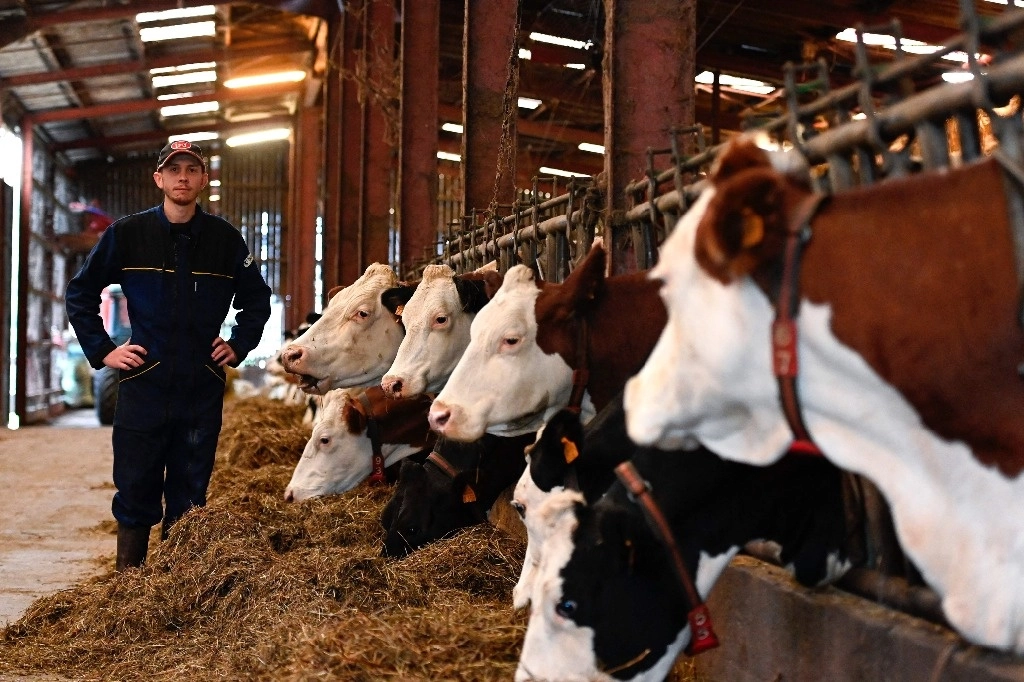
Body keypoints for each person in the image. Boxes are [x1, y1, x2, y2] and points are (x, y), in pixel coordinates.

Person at [65, 140, 272, 571]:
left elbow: (257, 300)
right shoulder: (128, 234)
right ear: (158, 178)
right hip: (145, 381)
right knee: (136, 488)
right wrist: (104, 351)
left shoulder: (225, 240)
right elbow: (81, 293)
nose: (182, 177)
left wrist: (238, 344)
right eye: (173, 169)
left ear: (203, 179)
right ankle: (130, 587)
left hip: (201, 384)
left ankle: (178, 586)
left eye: (191, 169)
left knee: (191, 493)